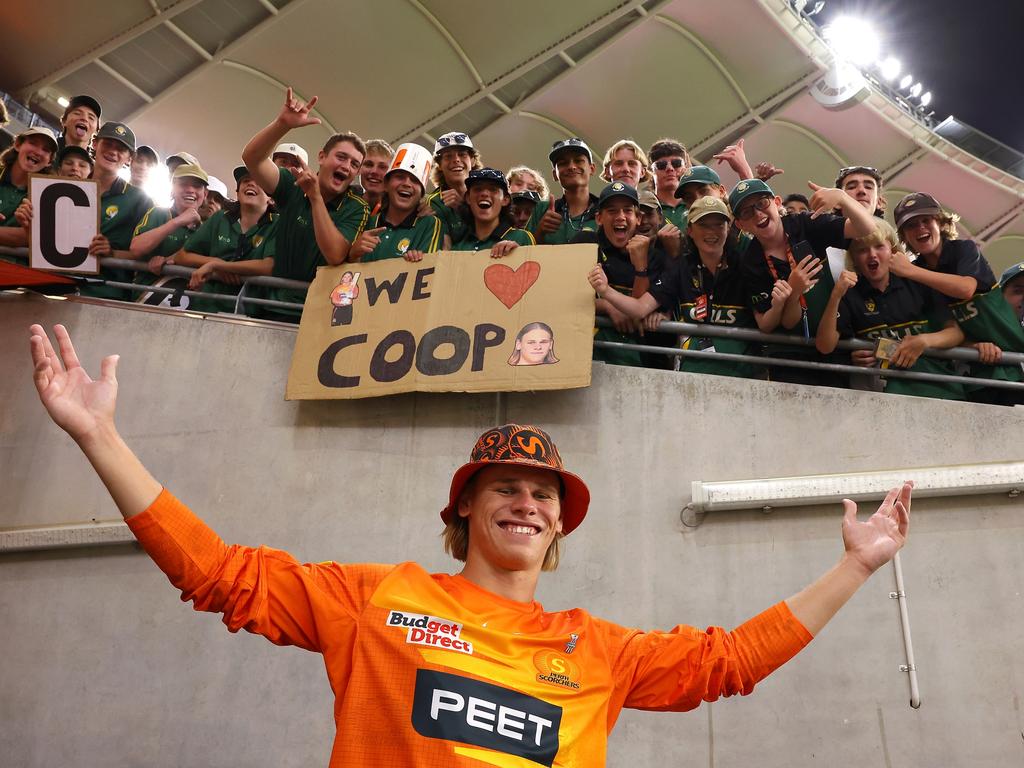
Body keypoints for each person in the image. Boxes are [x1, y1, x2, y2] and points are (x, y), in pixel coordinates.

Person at [27, 326, 913, 767]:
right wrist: (99, 438)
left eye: (543, 495)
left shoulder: (598, 650)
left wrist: (856, 564)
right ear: (464, 515)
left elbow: (729, 662)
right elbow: (219, 576)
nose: (527, 504)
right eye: (507, 490)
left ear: (560, 524)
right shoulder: (377, 598)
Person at [589, 196, 760, 379]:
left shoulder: (745, 268)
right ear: (690, 230)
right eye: (703, 225)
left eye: (718, 224)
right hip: (693, 375)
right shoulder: (681, 268)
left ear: (728, 228)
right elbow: (639, 309)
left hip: (743, 378)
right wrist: (606, 291)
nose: (712, 231)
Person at [242, 87, 369, 321]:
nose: (346, 167)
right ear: (322, 157)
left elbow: (335, 255)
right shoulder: (293, 183)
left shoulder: (357, 207)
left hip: (315, 314)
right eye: (341, 157)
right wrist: (283, 124)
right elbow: (252, 158)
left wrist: (315, 197)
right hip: (267, 305)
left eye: (354, 164)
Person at [733, 178, 875, 386]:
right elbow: (765, 323)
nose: (758, 214)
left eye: (762, 203)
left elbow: (865, 228)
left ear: (777, 202)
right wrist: (787, 296)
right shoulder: (750, 261)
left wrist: (843, 198)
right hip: (788, 354)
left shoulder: (804, 224)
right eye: (747, 212)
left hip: (833, 346)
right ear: (740, 224)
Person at [892, 192, 1024, 403]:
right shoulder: (916, 274)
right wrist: (973, 346)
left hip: (1016, 352)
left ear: (941, 223)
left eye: (926, 220)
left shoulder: (964, 249)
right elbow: (949, 328)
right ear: (904, 237)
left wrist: (909, 271)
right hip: (981, 366)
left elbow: (965, 288)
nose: (920, 228)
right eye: (911, 225)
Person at [815, 220, 966, 400]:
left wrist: (924, 341)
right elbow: (824, 346)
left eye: (879, 247)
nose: (872, 255)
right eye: (862, 250)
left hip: (939, 390)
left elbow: (956, 333)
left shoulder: (918, 282)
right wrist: (835, 296)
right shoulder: (849, 293)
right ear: (853, 258)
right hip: (883, 400)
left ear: (893, 251)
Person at [573, 182, 668, 368]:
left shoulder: (655, 254)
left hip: (643, 361)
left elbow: (636, 313)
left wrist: (640, 267)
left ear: (638, 218)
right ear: (599, 218)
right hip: (590, 357)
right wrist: (607, 306)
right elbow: (565, 297)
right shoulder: (584, 243)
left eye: (627, 210)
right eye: (612, 211)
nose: (621, 217)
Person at [178, 165, 278, 314]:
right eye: (245, 181)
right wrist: (217, 263)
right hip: (206, 308)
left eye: (259, 181)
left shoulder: (277, 223)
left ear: (271, 198)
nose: (251, 183)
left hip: (251, 314)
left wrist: (219, 267)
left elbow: (269, 266)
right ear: (237, 193)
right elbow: (182, 255)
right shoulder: (220, 218)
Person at [81, 122, 154, 300]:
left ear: (129, 158)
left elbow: (147, 256)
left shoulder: (140, 200)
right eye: (108, 144)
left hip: (107, 294)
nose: (113, 152)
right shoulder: (66, 188)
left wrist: (112, 253)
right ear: (95, 144)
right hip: (59, 286)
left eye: (121, 149)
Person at [348, 143, 443, 263]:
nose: (407, 184)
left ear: (422, 193)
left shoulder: (430, 224)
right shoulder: (366, 221)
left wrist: (417, 262)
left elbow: (428, 270)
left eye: (414, 180)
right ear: (385, 185)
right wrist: (352, 255)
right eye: (399, 177)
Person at [129, 163, 208, 300]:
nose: (190, 189)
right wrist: (177, 221)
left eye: (196, 186)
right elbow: (136, 248)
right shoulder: (158, 213)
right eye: (183, 184)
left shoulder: (207, 229)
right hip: (145, 302)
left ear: (205, 194)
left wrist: (169, 260)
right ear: (172, 190)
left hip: (187, 309)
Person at [527, 138, 599, 245]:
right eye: (563, 163)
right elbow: (524, 255)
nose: (571, 166)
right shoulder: (542, 210)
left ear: (592, 169)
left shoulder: (605, 210)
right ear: (555, 174)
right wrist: (540, 232)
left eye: (578, 160)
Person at [0, 126, 57, 254]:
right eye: (33, 143)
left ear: (49, 161)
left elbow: (26, 238)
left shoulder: (47, 195)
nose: (38, 152)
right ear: (18, 144)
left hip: (15, 270)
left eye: (46, 150)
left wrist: (27, 233)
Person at [452, 168, 534, 256]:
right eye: (478, 189)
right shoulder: (458, 247)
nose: (484, 193)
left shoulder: (521, 237)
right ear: (468, 198)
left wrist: (517, 253)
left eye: (493, 189)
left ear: (505, 200)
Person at [426, 131, 483, 244]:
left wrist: (463, 209)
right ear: (440, 165)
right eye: (448, 156)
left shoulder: (488, 194)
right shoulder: (433, 203)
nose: (456, 160)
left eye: (462, 154)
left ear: (472, 160)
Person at [648, 138, 691, 230]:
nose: (670, 168)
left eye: (676, 163)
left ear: (685, 167)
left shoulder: (697, 203)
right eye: (661, 165)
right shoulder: (644, 209)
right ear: (651, 171)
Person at [356, 139, 394, 214]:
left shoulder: (399, 209)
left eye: (382, 167)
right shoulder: (345, 200)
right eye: (368, 164)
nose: (374, 171)